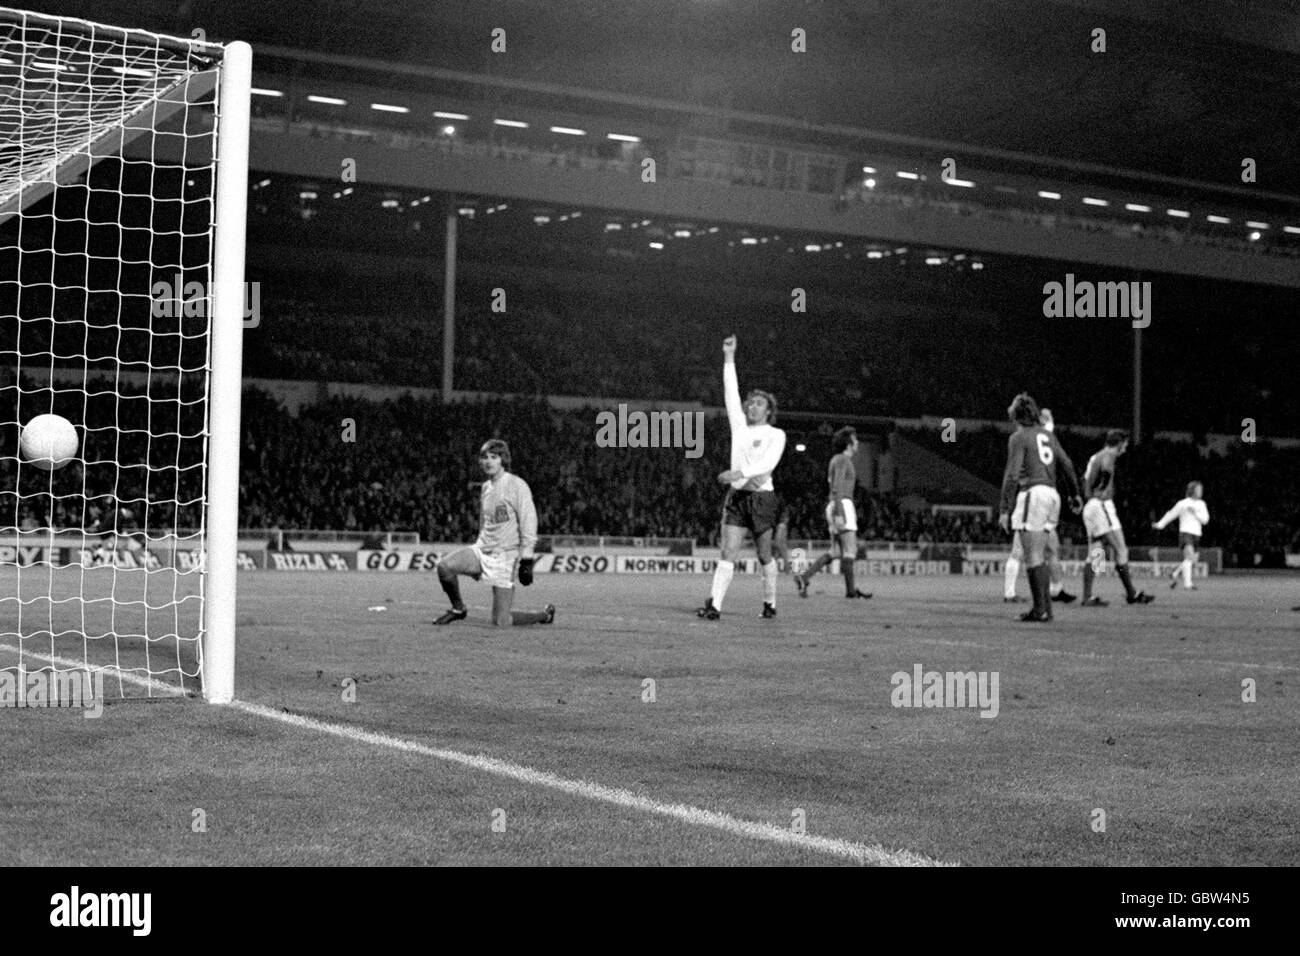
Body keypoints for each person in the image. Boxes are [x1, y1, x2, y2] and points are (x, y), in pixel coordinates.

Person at [697, 336, 787, 620]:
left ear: (769, 410)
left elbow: (767, 465)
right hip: (737, 497)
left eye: (759, 404)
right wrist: (729, 357)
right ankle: (714, 607)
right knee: (728, 552)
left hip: (762, 498)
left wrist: (739, 473)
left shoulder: (776, 435)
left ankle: (770, 603)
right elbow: (730, 392)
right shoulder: (740, 427)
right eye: (751, 403)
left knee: (764, 556)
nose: (752, 407)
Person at [433, 439, 555, 627]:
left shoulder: (516, 485)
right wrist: (479, 543)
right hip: (482, 549)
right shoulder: (485, 488)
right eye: (485, 458)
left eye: (494, 457)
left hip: (504, 556)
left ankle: (544, 615)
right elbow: (485, 521)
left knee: (501, 621)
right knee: (445, 567)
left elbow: (528, 520)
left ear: (503, 460)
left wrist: (527, 560)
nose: (488, 461)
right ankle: (458, 609)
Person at [998, 392, 1082, 623]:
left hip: (1033, 494)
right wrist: (1075, 494)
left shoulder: (1018, 437)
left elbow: (1012, 475)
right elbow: (1067, 463)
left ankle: (1040, 610)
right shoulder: (1047, 435)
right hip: (1053, 495)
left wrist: (1005, 508)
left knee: (1031, 555)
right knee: (1042, 554)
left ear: (1016, 415)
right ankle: (1046, 609)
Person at [794, 426, 872, 599]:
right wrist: (839, 511)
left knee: (835, 552)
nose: (857, 442)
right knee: (850, 550)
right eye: (855, 439)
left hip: (835, 504)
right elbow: (837, 486)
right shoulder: (842, 460)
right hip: (841, 504)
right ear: (849, 443)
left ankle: (804, 577)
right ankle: (851, 592)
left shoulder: (837, 459)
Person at [1080, 430, 1154, 607]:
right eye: (1125, 445)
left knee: (1097, 552)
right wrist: (1102, 490)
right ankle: (1131, 594)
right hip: (1101, 505)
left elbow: (1085, 480)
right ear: (1119, 443)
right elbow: (1105, 472)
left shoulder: (1095, 456)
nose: (1125, 449)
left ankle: (1087, 596)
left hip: (1090, 506)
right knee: (1121, 549)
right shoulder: (1108, 455)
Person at [1153, 481, 1209, 590]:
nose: (1200, 491)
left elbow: (1205, 520)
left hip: (1197, 534)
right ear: (1192, 490)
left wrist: (1195, 513)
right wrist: (1160, 524)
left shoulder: (1201, 504)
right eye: (1198, 489)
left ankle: (1175, 573)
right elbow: (1171, 514)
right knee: (1190, 557)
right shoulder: (1183, 503)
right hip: (1185, 533)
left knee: (1191, 560)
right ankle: (1188, 584)